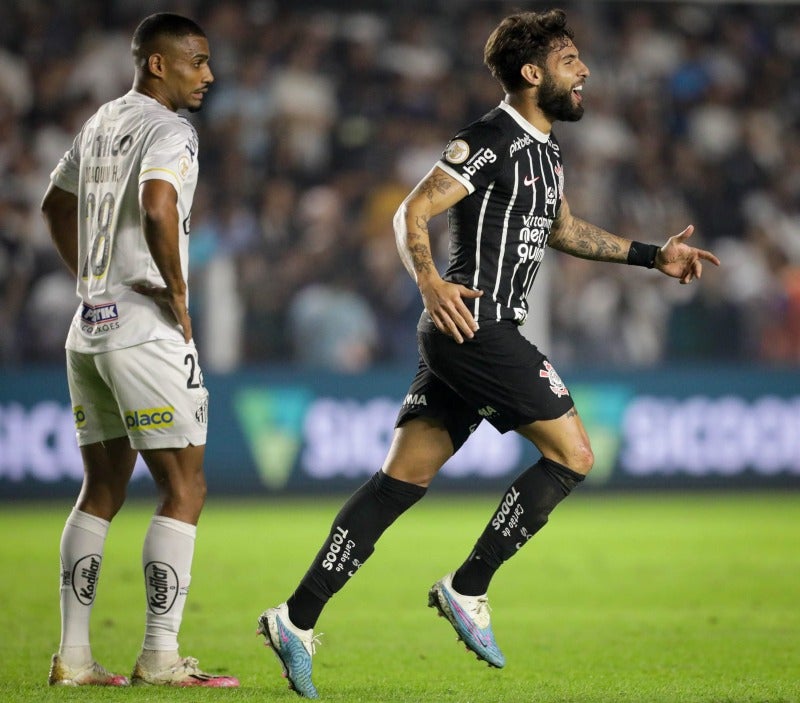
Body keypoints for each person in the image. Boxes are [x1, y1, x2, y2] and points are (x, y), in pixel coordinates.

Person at [256, 8, 720, 699]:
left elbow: (561, 230)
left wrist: (654, 255)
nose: (584, 70)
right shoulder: (491, 138)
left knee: (399, 482)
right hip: (478, 326)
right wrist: (430, 282)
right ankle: (468, 587)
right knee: (575, 454)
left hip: (466, 335)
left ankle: (296, 615)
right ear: (533, 74)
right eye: (570, 62)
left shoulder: (546, 149)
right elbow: (409, 211)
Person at [40, 13, 238, 688]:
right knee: (185, 487)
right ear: (159, 64)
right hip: (143, 329)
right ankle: (159, 655)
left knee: (100, 489)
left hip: (88, 326)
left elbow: (53, 205)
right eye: (198, 61)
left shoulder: (100, 122)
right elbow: (158, 207)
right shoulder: (170, 129)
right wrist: (178, 298)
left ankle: (72, 656)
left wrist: (88, 280)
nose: (209, 75)